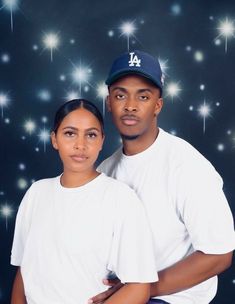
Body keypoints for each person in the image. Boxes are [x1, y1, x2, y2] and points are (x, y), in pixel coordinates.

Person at [89, 50, 235, 304]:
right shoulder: (104, 170)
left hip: (174, 298)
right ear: (109, 102)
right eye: (120, 95)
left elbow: (219, 255)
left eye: (143, 96)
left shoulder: (188, 166)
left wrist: (140, 291)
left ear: (158, 105)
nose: (131, 106)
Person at [10, 99, 159, 304]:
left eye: (91, 135)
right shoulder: (36, 193)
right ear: (54, 139)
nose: (80, 145)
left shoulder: (120, 199)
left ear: (101, 141)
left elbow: (139, 288)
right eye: (70, 133)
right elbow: (24, 271)